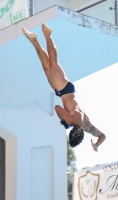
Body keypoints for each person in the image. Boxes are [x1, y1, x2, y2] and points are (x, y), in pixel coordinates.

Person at [22, 24, 106, 152]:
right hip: (63, 89)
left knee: (46, 66)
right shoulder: (70, 120)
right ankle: (47, 34)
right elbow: (57, 108)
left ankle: (34, 40)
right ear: (72, 133)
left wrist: (96, 145)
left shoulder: (87, 126)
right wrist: (64, 122)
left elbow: (102, 136)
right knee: (53, 61)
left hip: (66, 90)